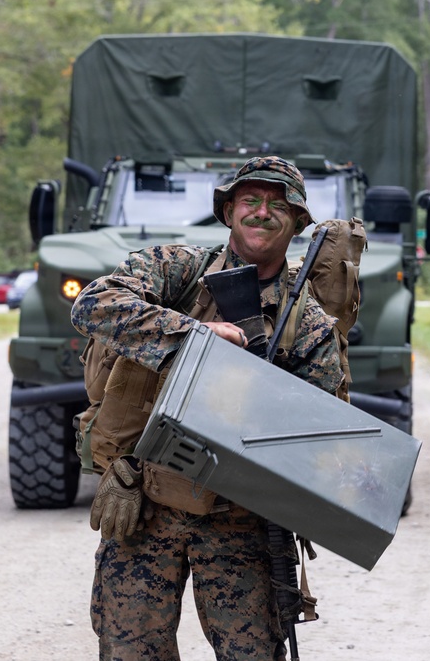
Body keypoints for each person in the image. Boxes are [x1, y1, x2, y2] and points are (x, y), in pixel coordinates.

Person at [70, 156, 344, 661]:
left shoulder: (309, 326)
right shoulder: (178, 270)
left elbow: (320, 443)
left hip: (241, 520)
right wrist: (194, 337)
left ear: (299, 222)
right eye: (251, 200)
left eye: (278, 205)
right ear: (228, 212)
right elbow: (92, 305)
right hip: (143, 502)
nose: (262, 213)